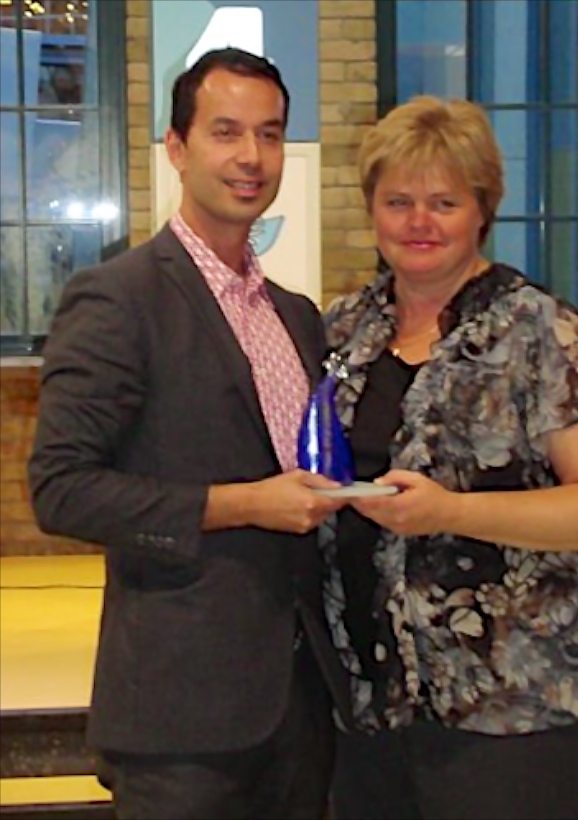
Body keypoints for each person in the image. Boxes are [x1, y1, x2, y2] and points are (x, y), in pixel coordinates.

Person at [28, 48, 351, 820]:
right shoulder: (118, 298)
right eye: (226, 132)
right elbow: (61, 488)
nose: (251, 157)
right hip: (181, 722)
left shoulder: (295, 314)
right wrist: (244, 504)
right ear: (177, 148)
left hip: (304, 708)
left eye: (270, 135)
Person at [319, 95, 578, 820]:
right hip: (369, 704)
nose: (419, 222)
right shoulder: (345, 329)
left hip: (512, 709)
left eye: (443, 201)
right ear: (371, 208)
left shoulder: (540, 331)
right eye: (398, 200)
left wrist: (452, 512)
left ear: (482, 209)